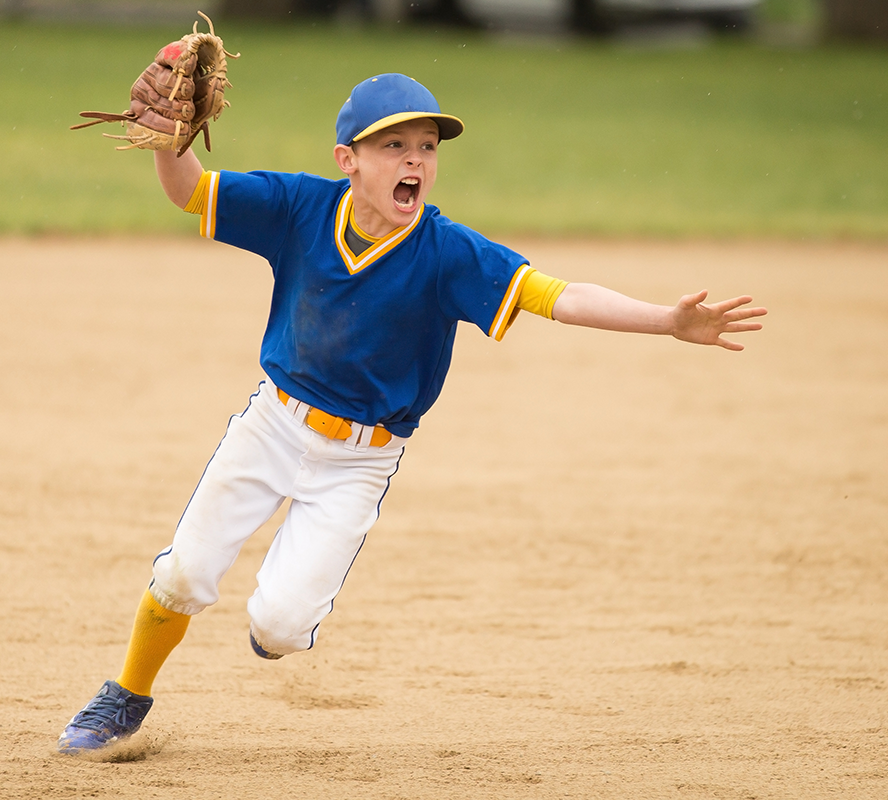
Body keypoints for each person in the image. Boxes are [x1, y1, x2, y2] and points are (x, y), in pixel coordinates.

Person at [57, 73, 766, 754]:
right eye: (394, 146)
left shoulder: (448, 252)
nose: (416, 161)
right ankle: (127, 692)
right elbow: (192, 193)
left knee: (279, 626)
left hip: (358, 462)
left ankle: (273, 628)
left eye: (427, 147)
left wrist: (665, 321)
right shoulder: (299, 208)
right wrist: (170, 144)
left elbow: (560, 296)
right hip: (271, 426)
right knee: (184, 573)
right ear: (349, 161)